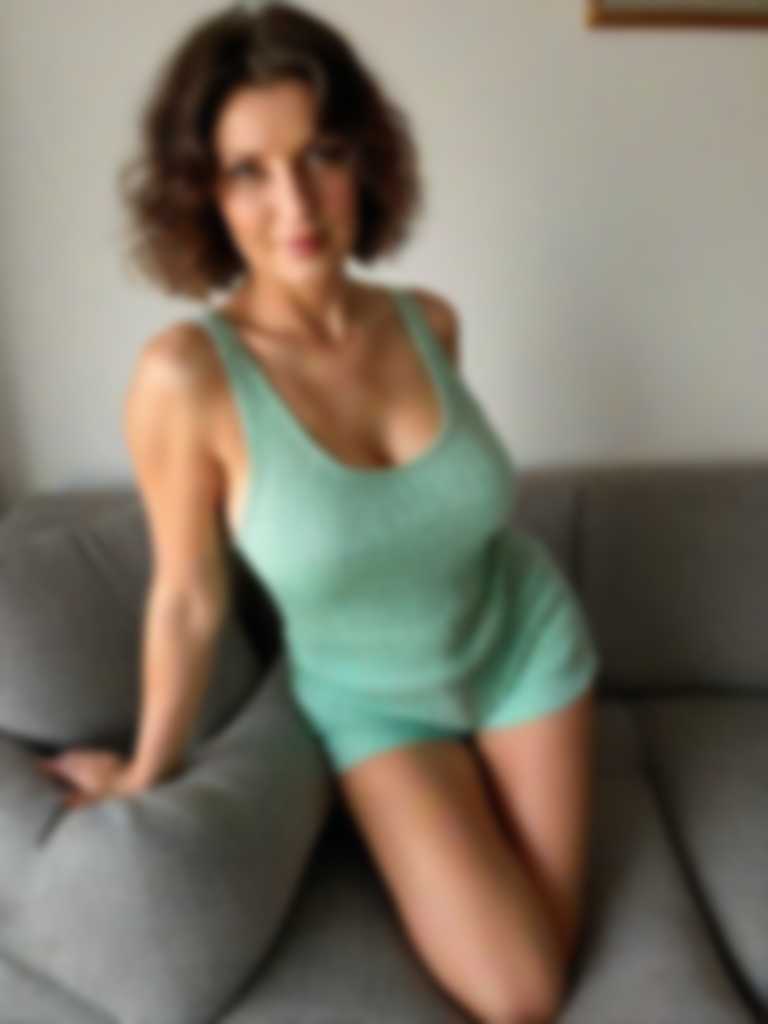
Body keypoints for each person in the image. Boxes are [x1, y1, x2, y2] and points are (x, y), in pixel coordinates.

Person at [38, 3, 601, 1020]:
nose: (293, 201)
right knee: (523, 991)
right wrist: (145, 770)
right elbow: (187, 598)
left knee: (563, 956)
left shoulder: (430, 322)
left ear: (364, 161)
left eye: (321, 155)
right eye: (247, 170)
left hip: (523, 642)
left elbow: (429, 518)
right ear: (202, 191)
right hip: (377, 703)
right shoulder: (187, 377)